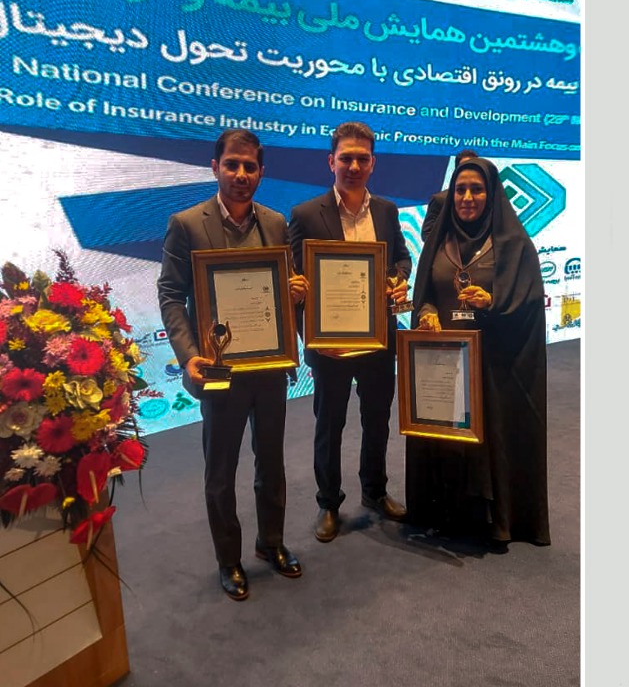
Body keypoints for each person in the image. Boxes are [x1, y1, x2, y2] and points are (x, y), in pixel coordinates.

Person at [157, 128, 308, 601]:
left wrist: (295, 293)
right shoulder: (187, 224)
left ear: (261, 172)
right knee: (220, 471)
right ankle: (229, 559)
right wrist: (189, 355)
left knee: (272, 462)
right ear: (215, 167)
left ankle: (271, 542)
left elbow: (280, 290)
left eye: (250, 166)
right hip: (220, 370)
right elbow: (170, 294)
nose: (241, 174)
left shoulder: (276, 223)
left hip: (269, 367)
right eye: (232, 165)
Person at [406, 157, 550, 548]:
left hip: (495, 366)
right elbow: (426, 293)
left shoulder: (515, 245)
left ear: (492, 194)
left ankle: (497, 519)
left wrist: (493, 302)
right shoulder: (439, 239)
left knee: (491, 436)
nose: (467, 197)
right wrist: (428, 312)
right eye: (460, 190)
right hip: (447, 359)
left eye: (477, 189)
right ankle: (447, 512)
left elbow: (530, 304)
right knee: (447, 435)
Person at [288, 122, 411, 543]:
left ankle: (375, 491)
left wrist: (398, 279)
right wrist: (309, 334)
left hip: (379, 339)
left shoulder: (387, 211)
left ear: (373, 163)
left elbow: (402, 258)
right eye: (346, 158)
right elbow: (294, 280)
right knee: (330, 424)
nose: (354, 166)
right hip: (331, 346)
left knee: (377, 420)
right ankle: (328, 502)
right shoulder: (306, 215)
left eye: (362, 159)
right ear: (331, 161)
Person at [420, 149, 479, 242]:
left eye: (473, 167)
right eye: (465, 167)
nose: (469, 172)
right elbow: (427, 234)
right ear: (456, 171)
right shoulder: (440, 200)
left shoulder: (486, 199)